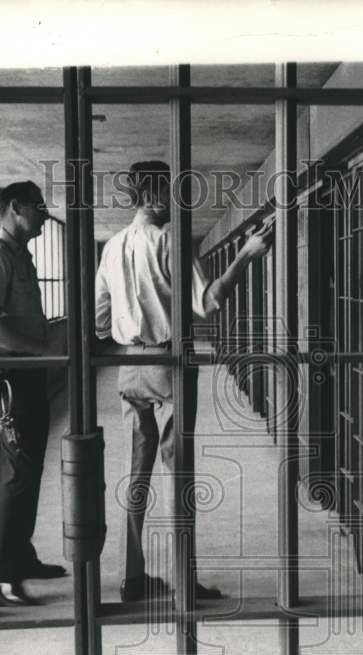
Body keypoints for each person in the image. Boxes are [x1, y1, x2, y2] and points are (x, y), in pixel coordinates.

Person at [94, 161, 273, 602]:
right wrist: (246, 254)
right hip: (169, 363)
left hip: (128, 366)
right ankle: (182, 584)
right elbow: (209, 303)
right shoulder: (170, 239)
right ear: (156, 196)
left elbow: (99, 318)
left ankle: (131, 577)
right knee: (179, 473)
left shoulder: (113, 246)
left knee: (136, 474)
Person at [0, 180, 66, 607]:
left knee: (30, 469)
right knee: (19, 472)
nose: (44, 213)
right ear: (14, 208)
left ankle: (22, 556)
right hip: (11, 374)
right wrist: (41, 349)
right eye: (37, 206)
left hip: (27, 372)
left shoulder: (19, 254)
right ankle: (1, 576)